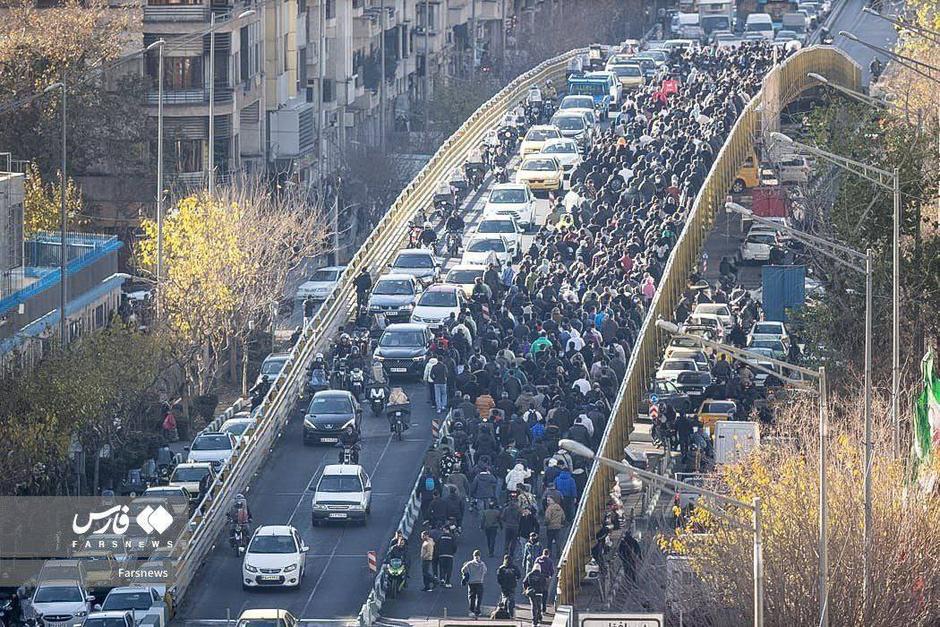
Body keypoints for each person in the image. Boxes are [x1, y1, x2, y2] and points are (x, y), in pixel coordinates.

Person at [460, 549, 488, 618]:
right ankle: (477, 610)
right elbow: (485, 571)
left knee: (471, 597)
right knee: (479, 597)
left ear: (473, 555)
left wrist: (466, 576)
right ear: (480, 556)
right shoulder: (482, 564)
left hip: (471, 583)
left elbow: (463, 570)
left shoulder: (469, 564)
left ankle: (471, 610)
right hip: (479, 582)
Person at [437, 523, 457, 587]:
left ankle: (442, 579)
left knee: (442, 567)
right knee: (449, 569)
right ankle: (447, 582)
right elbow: (455, 546)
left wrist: (439, 552)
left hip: (442, 555)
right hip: (449, 555)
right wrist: (452, 552)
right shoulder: (452, 537)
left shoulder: (440, 537)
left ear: (445, 529)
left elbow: (437, 545)